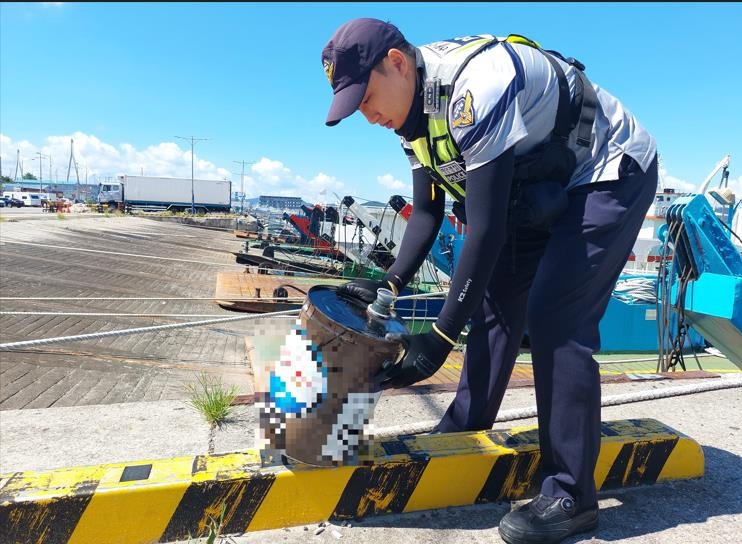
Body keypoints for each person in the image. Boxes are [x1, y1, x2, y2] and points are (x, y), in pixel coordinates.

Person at [321, 17, 658, 544]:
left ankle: (571, 493)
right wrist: (388, 283)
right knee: (496, 303)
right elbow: (429, 214)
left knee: (554, 317)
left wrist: (436, 341)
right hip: (542, 183)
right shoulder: (413, 118)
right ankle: (464, 430)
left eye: (366, 99)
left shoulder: (474, 87)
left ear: (397, 63)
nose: (368, 116)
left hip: (608, 167)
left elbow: (485, 229)